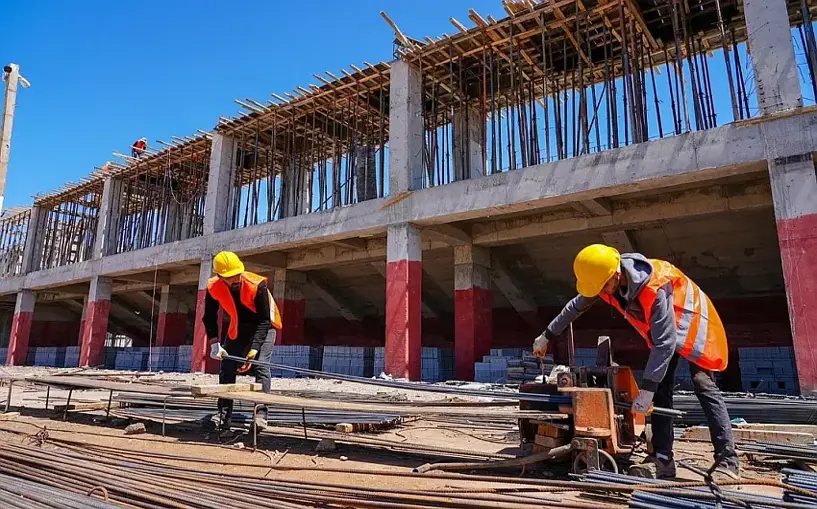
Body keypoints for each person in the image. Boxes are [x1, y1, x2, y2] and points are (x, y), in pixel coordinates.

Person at [532, 244, 738, 480]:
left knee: (704, 385)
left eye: (604, 287)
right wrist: (546, 335)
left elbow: (665, 343)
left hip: (696, 327)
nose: (602, 293)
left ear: (616, 274)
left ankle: (728, 462)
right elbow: (575, 307)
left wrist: (646, 390)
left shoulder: (655, 286)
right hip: (665, 334)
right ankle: (662, 459)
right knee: (661, 390)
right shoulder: (605, 279)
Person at [205, 251, 282, 435]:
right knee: (227, 366)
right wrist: (215, 343)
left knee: (260, 365)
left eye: (237, 273)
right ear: (220, 277)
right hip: (239, 327)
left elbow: (264, 320)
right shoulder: (213, 287)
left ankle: (260, 415)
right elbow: (209, 317)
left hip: (265, 326)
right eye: (230, 276)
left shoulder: (257, 285)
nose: (235, 278)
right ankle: (223, 415)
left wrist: (254, 349)